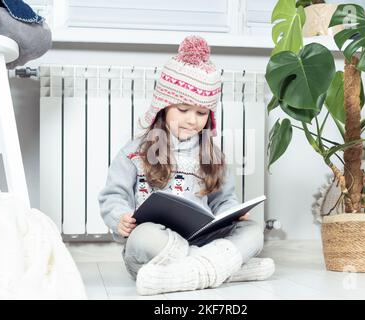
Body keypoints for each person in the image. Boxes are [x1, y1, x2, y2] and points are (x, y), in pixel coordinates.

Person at [98, 35, 274, 295]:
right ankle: (226, 269)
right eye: (182, 109)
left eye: (201, 113)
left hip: (202, 240)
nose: (192, 120)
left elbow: (223, 201)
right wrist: (119, 218)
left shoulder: (213, 157)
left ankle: (184, 275)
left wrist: (234, 212)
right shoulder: (134, 152)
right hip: (154, 250)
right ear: (164, 106)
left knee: (252, 230)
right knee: (142, 235)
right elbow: (114, 196)